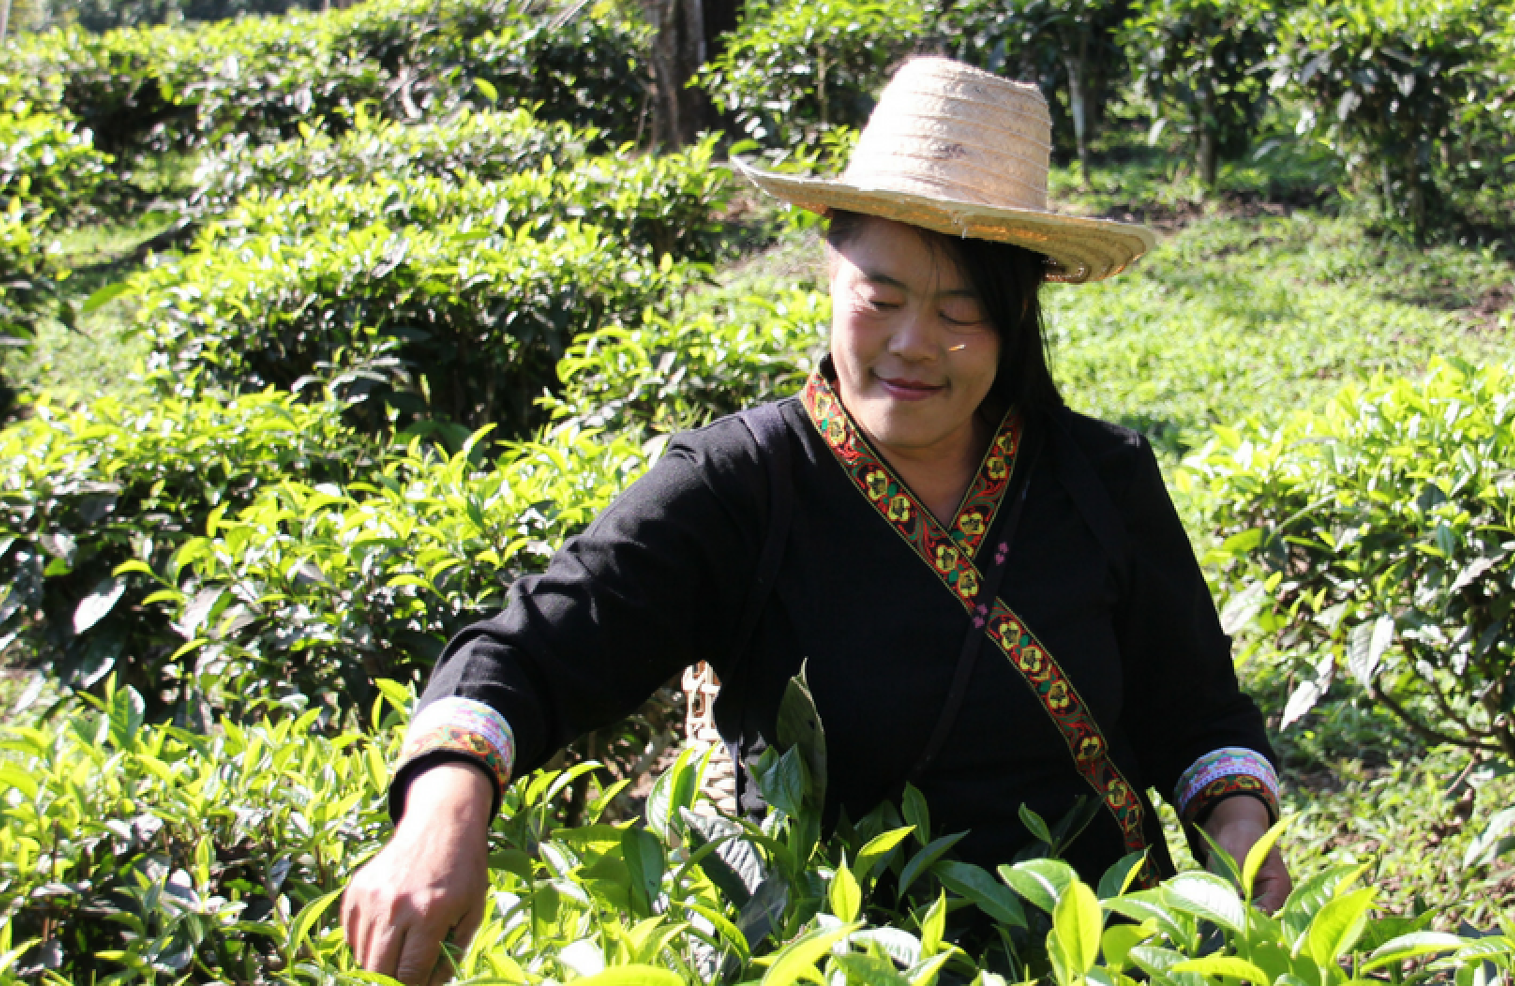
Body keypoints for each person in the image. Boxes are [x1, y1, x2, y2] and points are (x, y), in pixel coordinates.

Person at [340, 57, 1290, 985]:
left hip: (1099, 951)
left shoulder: (1101, 476)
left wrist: (1240, 817)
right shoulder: (739, 485)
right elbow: (532, 650)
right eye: (881, 298)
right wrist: (442, 811)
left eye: (963, 310)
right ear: (830, 276)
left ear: (1017, 316)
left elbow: (1199, 711)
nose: (914, 344)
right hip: (839, 959)